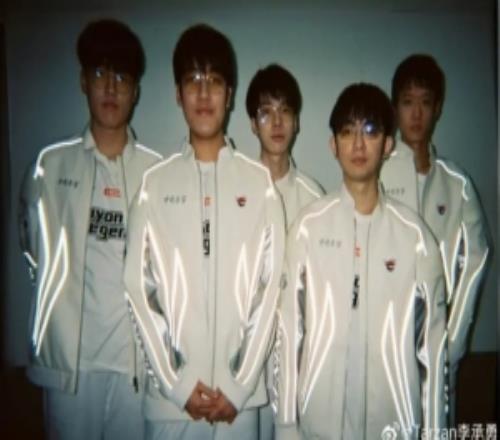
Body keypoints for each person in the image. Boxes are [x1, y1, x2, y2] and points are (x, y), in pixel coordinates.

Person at [123, 24, 285, 440]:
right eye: (192, 80)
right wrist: (176, 383)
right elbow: (138, 289)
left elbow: (270, 289)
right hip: (171, 403)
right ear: (178, 94)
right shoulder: (154, 185)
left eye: (214, 80)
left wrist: (239, 384)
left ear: (229, 95)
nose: (203, 92)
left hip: (239, 403)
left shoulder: (259, 184)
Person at [276, 83, 447, 439]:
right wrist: (287, 425)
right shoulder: (307, 228)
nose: (357, 144)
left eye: (370, 130)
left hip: (394, 426)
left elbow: (432, 351)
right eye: (347, 131)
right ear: (333, 145)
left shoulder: (415, 238)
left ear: (387, 145)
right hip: (317, 427)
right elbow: (289, 334)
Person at [18, 19, 161, 440]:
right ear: (83, 81)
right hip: (70, 371)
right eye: (100, 73)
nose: (111, 88)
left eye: (122, 77)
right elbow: (32, 252)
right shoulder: (49, 167)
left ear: (136, 91)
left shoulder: (156, 174)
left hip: (135, 369)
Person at [380, 54, 490, 424]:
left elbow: (475, 261)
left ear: (437, 108)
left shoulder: (456, 184)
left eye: (425, 102)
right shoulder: (375, 176)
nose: (416, 113)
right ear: (395, 108)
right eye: (407, 102)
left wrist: (454, 341)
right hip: (385, 348)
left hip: (439, 347)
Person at [245, 63, 323, 440]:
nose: (276, 122)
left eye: (285, 111)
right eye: (266, 112)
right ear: (252, 123)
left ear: (297, 122)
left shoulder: (314, 199)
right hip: (243, 357)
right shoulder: (235, 189)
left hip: (297, 358)